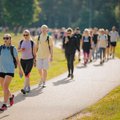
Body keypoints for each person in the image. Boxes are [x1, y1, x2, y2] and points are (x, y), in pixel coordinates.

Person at [0, 34, 23, 111]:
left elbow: (17, 60)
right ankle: (11, 96)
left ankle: (4, 104)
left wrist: (20, 70)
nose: (5, 39)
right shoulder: (1, 48)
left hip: (10, 70)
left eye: (7, 38)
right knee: (4, 87)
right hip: (1, 70)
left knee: (5, 87)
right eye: (4, 38)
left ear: (10, 39)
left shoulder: (13, 49)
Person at [18, 30, 36, 94]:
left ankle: (24, 88)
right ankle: (28, 87)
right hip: (22, 60)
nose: (25, 36)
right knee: (27, 75)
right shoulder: (21, 42)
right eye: (24, 35)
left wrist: (35, 61)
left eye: (27, 35)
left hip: (30, 60)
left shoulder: (32, 43)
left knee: (26, 73)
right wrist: (21, 50)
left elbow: (34, 53)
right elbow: (18, 50)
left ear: (29, 35)